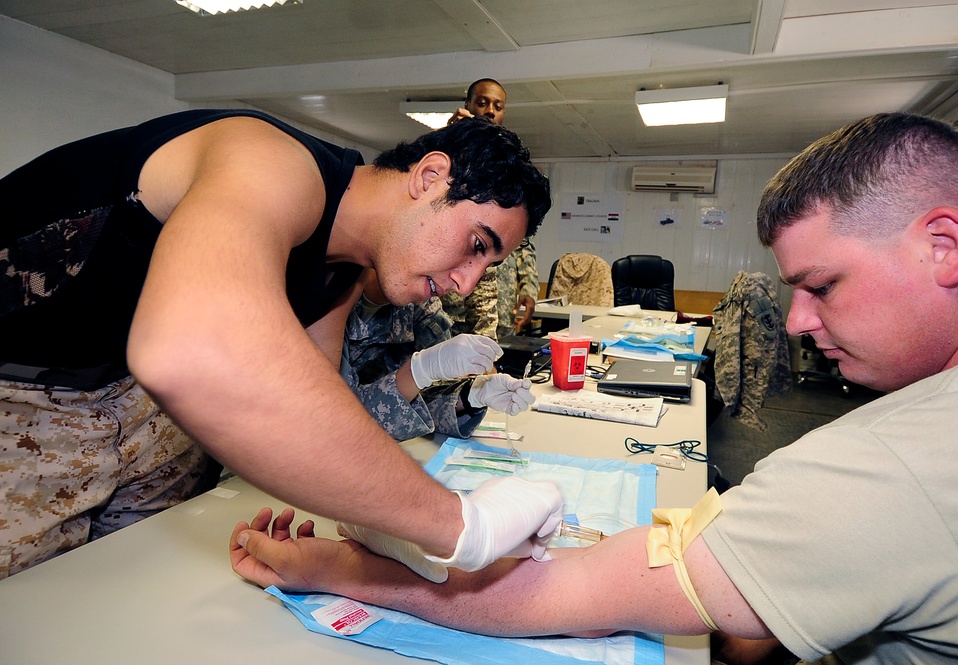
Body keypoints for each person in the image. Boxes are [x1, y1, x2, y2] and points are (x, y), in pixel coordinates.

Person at [230, 112, 958, 664]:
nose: (796, 322)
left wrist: (330, 567)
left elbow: (560, 595)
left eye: (822, 284)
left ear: (944, 246)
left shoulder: (896, 465)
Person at [0, 108, 561, 578]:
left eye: (487, 265)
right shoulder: (271, 159)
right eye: (475, 244)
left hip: (130, 394)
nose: (466, 282)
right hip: (19, 393)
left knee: (136, 587)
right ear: (430, 175)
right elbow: (191, 349)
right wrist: (459, 524)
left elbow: (323, 412)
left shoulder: (343, 269)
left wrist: (373, 525)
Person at [340, 269, 534, 441]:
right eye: (475, 247)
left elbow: (415, 405)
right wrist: (418, 371)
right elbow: (339, 428)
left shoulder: (421, 302)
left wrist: (470, 396)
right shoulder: (324, 296)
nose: (465, 287)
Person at [442, 78, 541, 339]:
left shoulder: (506, 166)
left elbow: (523, 241)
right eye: (483, 103)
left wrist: (529, 287)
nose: (490, 111)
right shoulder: (446, 154)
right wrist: (449, 138)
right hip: (447, 306)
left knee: (492, 367)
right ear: (468, 106)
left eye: (498, 106)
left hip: (498, 301)